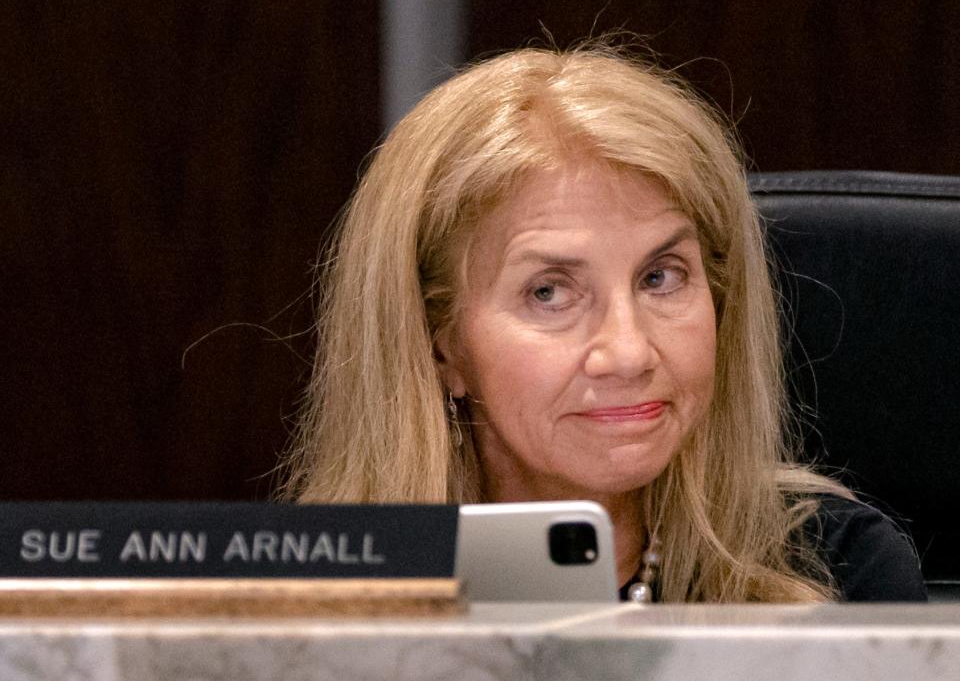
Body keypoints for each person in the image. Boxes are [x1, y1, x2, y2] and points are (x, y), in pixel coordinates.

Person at [278, 45, 926, 602]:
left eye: (660, 277)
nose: (627, 351)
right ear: (437, 343)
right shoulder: (313, 602)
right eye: (550, 291)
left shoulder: (839, 575)